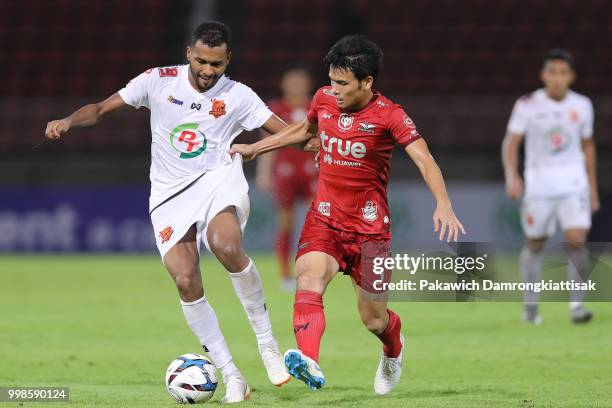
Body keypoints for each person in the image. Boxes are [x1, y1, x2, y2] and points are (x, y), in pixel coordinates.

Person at [44, 21, 294, 403]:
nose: (209, 71)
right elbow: (99, 109)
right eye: (202, 62)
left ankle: (268, 345)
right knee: (185, 280)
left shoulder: (239, 95)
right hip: (168, 195)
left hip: (217, 180)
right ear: (188, 54)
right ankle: (232, 375)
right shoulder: (157, 81)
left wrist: (317, 141)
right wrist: (67, 121)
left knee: (225, 245)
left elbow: (285, 132)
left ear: (228, 60)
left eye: (218, 64)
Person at [231, 35, 465, 394]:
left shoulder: (390, 114)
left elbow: (423, 157)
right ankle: (309, 359)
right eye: (332, 80)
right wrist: (256, 148)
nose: (334, 90)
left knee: (373, 319)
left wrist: (443, 202)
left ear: (367, 82)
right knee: (308, 277)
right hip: (325, 218)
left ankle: (393, 349)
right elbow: (303, 131)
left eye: (343, 83)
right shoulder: (323, 99)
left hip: (371, 231)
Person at [502, 48, 598, 325]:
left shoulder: (582, 105)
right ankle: (531, 306)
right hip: (539, 185)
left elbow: (587, 146)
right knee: (535, 243)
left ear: (572, 77)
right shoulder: (528, 104)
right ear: (543, 75)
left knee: (577, 239)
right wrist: (512, 175)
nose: (557, 78)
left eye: (563, 73)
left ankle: (577, 306)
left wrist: (591, 187)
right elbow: (511, 142)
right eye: (552, 72)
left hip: (574, 183)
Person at [256, 67, 318, 291]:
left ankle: (314, 271)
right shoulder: (277, 109)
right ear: (284, 84)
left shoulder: (316, 107)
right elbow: (269, 143)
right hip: (285, 173)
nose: (296, 86)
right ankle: (285, 274)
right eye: (292, 82)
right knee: (286, 223)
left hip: (313, 171)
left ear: (307, 84)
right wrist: (264, 173)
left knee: (318, 224)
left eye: (300, 81)